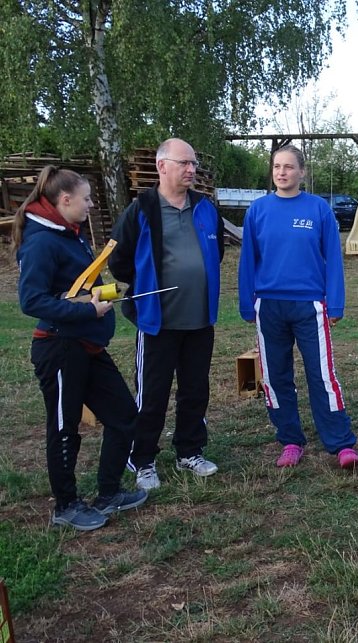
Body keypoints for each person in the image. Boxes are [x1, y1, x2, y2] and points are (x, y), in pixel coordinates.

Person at [14, 166, 148, 531]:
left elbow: (74, 286)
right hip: (59, 349)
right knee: (64, 427)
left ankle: (109, 493)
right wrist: (86, 309)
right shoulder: (42, 240)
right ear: (65, 200)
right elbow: (32, 300)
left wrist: (99, 296)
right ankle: (66, 505)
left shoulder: (70, 234)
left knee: (123, 416)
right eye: (86, 198)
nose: (91, 204)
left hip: (87, 345)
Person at [238, 145, 358, 469]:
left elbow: (334, 259)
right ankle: (290, 440)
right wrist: (246, 303)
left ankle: (340, 443)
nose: (282, 172)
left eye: (289, 167)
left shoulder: (318, 209)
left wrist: (335, 302)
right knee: (276, 377)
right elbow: (247, 261)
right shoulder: (257, 211)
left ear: (302, 172)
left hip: (310, 305)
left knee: (322, 375)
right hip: (269, 306)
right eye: (277, 167)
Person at [109, 138, 224, 490]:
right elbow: (119, 261)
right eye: (184, 163)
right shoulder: (142, 208)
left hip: (200, 319)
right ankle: (142, 459)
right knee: (153, 393)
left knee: (195, 389)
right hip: (158, 322)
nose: (191, 170)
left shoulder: (205, 208)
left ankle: (190, 450)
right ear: (162, 166)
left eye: (194, 164)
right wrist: (146, 285)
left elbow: (215, 252)